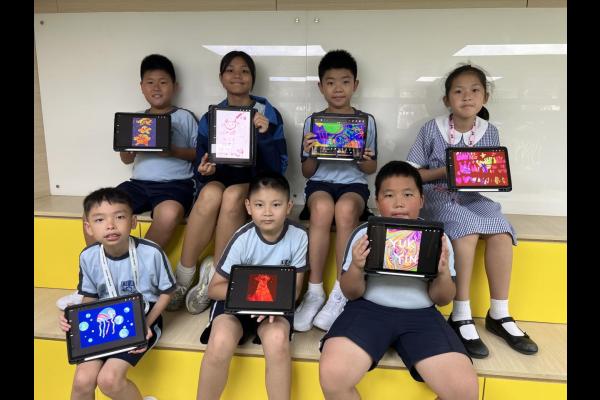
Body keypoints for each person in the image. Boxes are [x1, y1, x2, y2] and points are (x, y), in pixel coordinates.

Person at [406, 64, 538, 358]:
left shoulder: (490, 131)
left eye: (475, 90)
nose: (467, 96)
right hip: (437, 195)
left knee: (501, 231)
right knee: (466, 231)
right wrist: (447, 170)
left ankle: (499, 313)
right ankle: (461, 313)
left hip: (472, 197)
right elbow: (411, 175)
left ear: (485, 97)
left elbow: (488, 175)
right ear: (446, 99)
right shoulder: (431, 128)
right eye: (458, 91)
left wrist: (491, 177)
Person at [319, 161, 478, 400]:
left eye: (408, 194)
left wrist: (443, 273)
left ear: (421, 200)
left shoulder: (438, 238)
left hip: (421, 315)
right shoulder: (364, 234)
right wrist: (356, 267)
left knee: (464, 391)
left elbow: (443, 298)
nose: (399, 203)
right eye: (389, 195)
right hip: (368, 310)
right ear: (377, 201)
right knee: (333, 375)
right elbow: (351, 291)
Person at [167, 50, 287, 314]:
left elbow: (278, 168)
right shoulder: (212, 116)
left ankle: (215, 276)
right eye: (230, 70)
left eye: (244, 71)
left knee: (233, 195)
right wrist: (204, 170)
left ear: (253, 78)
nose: (237, 76)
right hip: (220, 178)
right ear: (221, 77)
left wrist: (265, 134)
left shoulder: (267, 113)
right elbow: (201, 164)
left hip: (255, 181)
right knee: (210, 193)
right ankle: (184, 276)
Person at [195, 172, 307, 400]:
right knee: (220, 341)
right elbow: (214, 288)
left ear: (288, 206)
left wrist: (270, 304)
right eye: (259, 205)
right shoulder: (242, 238)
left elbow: (294, 291)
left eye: (276, 204)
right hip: (234, 306)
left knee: (277, 340)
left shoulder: (299, 236)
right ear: (248, 206)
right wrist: (254, 297)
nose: (267, 212)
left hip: (275, 308)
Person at [59, 188, 175, 400]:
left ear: (133, 221)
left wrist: (146, 323)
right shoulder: (88, 256)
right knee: (82, 380)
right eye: (100, 219)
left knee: (109, 380)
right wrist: (74, 319)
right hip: (103, 318)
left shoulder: (152, 252)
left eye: (119, 217)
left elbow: (167, 292)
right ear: (88, 227)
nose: (110, 225)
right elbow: (90, 297)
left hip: (141, 318)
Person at [294, 49, 377, 332]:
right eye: (330, 82)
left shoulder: (366, 121)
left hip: (354, 185)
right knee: (321, 208)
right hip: (320, 184)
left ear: (355, 85)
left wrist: (361, 158)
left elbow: (371, 169)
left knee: (345, 209)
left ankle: (341, 291)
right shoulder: (313, 121)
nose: (338, 88)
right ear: (321, 87)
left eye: (345, 81)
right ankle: (314, 290)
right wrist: (310, 152)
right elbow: (307, 172)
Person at [82, 54, 198, 250]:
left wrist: (173, 151)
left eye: (163, 82)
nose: (156, 87)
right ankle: (100, 264)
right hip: (138, 185)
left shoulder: (184, 117)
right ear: (141, 87)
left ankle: (138, 262)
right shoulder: (135, 119)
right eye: (150, 82)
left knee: (169, 214)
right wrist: (127, 149)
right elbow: (127, 159)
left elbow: (199, 154)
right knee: (94, 210)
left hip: (175, 186)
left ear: (175, 86)